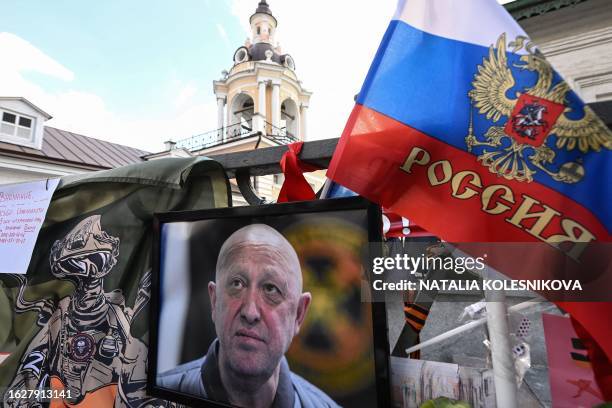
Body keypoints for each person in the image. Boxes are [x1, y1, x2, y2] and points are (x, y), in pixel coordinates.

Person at [157, 224, 339, 408]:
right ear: (214, 300)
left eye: (270, 289)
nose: (250, 313)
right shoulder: (152, 399)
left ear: (299, 314)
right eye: (237, 284)